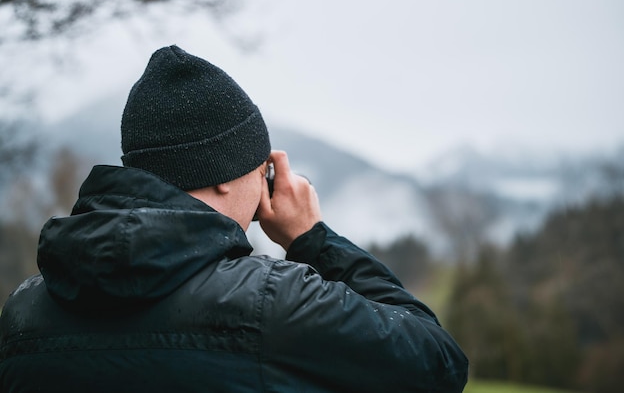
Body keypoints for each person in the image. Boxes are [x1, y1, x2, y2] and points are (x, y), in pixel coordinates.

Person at [0, 45, 468, 392]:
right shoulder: (273, 301)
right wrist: (314, 239)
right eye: (263, 167)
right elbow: (438, 363)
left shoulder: (24, 309)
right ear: (223, 176)